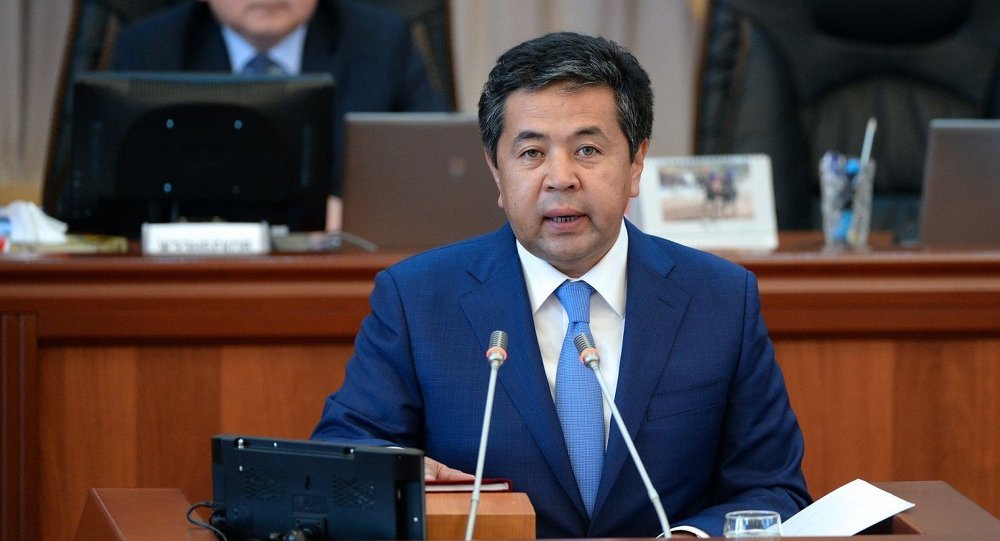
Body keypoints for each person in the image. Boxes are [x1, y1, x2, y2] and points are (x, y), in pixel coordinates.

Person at [312, 32, 811, 538]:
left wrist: (689, 538)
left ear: (636, 163)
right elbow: (342, 456)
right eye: (531, 153)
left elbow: (773, 489)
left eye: (587, 149)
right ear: (496, 171)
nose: (560, 177)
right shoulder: (418, 299)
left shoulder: (719, 300)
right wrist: (395, 476)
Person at [112, 0, 449, 196]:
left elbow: (438, 175)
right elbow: (109, 190)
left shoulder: (383, 43)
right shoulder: (148, 51)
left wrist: (352, 215)